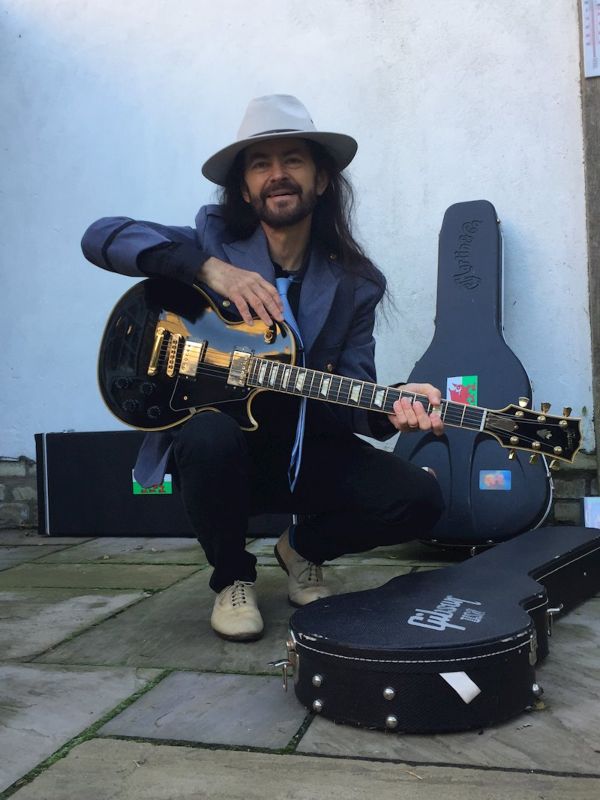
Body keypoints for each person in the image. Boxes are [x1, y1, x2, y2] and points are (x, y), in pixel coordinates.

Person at [82, 94, 445, 642]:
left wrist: (389, 407)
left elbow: (352, 393)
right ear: (246, 188)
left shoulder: (356, 283)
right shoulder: (209, 244)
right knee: (205, 434)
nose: (278, 174)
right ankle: (232, 577)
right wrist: (208, 269)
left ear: (321, 179)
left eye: (293, 160)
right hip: (225, 455)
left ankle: (301, 549)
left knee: (421, 499)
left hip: (308, 451)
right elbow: (100, 235)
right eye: (260, 164)